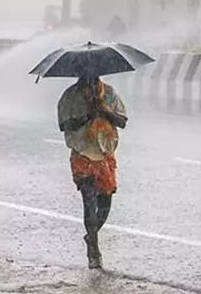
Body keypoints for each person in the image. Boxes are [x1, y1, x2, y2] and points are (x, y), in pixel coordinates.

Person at [57, 74, 128, 269]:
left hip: (105, 154)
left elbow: (122, 121)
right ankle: (94, 251)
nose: (91, 81)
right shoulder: (70, 96)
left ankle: (91, 236)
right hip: (82, 155)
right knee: (89, 203)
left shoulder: (109, 94)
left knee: (105, 202)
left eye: (94, 77)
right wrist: (87, 116)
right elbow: (63, 124)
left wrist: (104, 111)